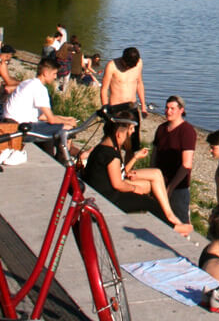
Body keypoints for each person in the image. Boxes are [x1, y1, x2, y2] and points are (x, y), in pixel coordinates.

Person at [82, 110, 192, 236]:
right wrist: (134, 189)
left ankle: (170, 220)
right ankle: (173, 228)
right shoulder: (111, 154)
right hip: (109, 198)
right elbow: (118, 184)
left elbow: (119, 174)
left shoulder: (101, 148)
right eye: (130, 130)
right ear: (119, 134)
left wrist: (134, 160)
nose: (132, 132)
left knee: (150, 186)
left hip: (103, 193)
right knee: (149, 204)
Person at [151, 95, 195, 224]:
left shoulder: (187, 131)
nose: (168, 111)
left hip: (178, 187)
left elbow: (186, 164)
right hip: (159, 183)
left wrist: (170, 188)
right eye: (166, 108)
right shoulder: (161, 128)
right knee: (159, 219)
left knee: (180, 221)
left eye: (172, 108)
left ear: (181, 110)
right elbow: (154, 155)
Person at [3, 56, 77, 131]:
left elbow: (42, 116)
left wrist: (65, 118)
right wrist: (68, 122)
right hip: (21, 126)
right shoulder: (40, 88)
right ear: (45, 73)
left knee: (60, 127)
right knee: (67, 128)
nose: (55, 77)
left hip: (9, 122)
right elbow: (51, 119)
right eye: (54, 73)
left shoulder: (27, 82)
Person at [100, 46, 147, 148]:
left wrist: (143, 106)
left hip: (131, 107)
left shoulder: (139, 64)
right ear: (123, 59)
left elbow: (139, 84)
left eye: (131, 67)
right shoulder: (112, 66)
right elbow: (104, 89)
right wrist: (105, 108)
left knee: (132, 144)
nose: (128, 68)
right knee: (113, 141)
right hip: (116, 108)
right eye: (127, 66)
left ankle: (129, 163)